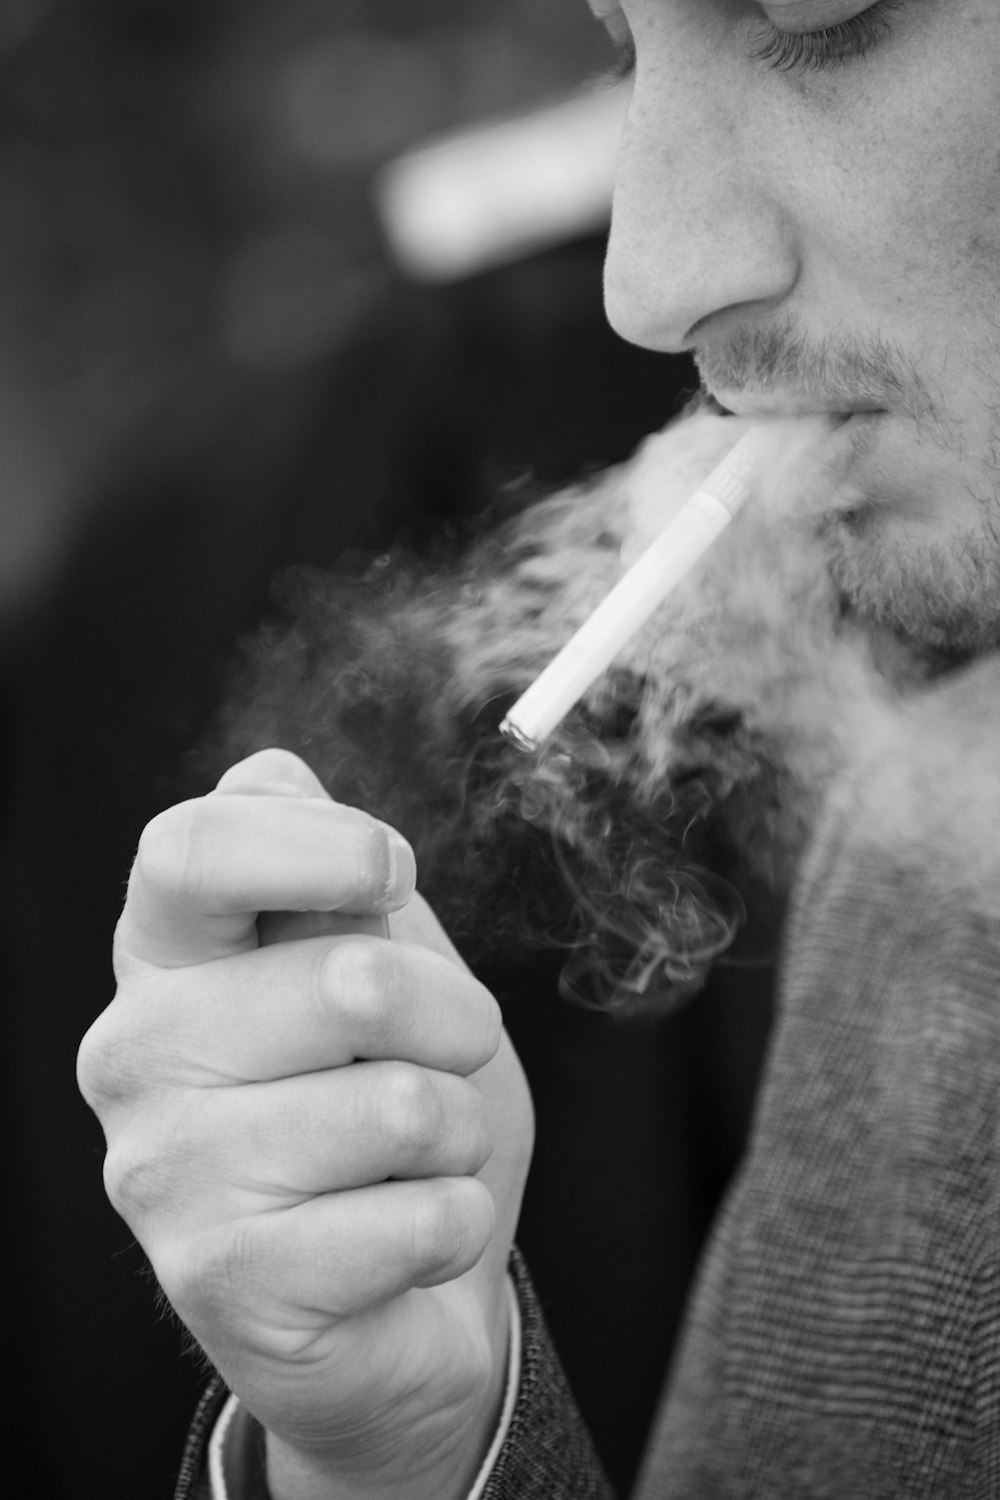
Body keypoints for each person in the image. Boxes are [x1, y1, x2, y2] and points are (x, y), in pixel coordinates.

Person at [77, 2, 1000, 1497]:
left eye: (818, 20)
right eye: (627, 49)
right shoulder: (931, 854)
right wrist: (411, 1444)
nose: (648, 279)